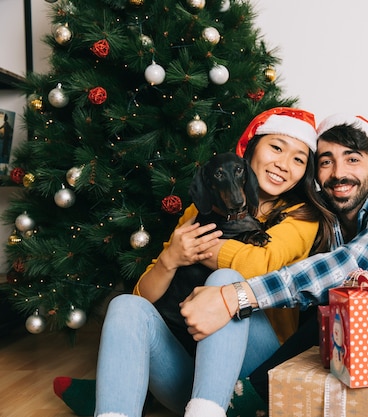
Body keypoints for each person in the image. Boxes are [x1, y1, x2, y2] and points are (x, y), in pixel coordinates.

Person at [54, 107, 336, 417]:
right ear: (250, 150)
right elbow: (141, 301)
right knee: (124, 305)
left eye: (298, 159)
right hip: (190, 378)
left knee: (224, 280)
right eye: (276, 147)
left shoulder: (303, 215)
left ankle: (207, 411)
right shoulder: (203, 207)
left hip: (259, 376)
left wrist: (201, 250)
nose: (283, 164)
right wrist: (169, 260)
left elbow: (258, 266)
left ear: (305, 172)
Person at [178, 113, 368, 410]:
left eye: (352, 160)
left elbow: (350, 264)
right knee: (330, 309)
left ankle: (246, 402)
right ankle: (240, 398)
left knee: (346, 305)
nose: (339, 173)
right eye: (327, 161)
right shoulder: (325, 213)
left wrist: (235, 296)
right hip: (350, 340)